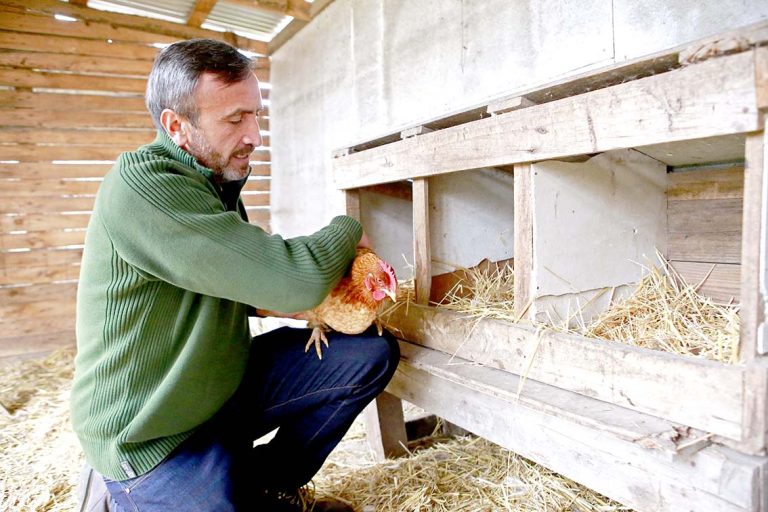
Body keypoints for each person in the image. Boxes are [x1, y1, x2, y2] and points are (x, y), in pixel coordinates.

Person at [71, 38, 400, 512]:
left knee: (366, 354)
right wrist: (346, 230)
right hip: (152, 433)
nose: (254, 136)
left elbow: (253, 289)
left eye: (255, 115)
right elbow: (293, 282)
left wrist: (330, 299)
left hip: (218, 393)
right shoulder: (145, 188)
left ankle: (270, 483)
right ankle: (129, 496)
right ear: (176, 126)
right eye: (234, 120)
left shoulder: (212, 182)